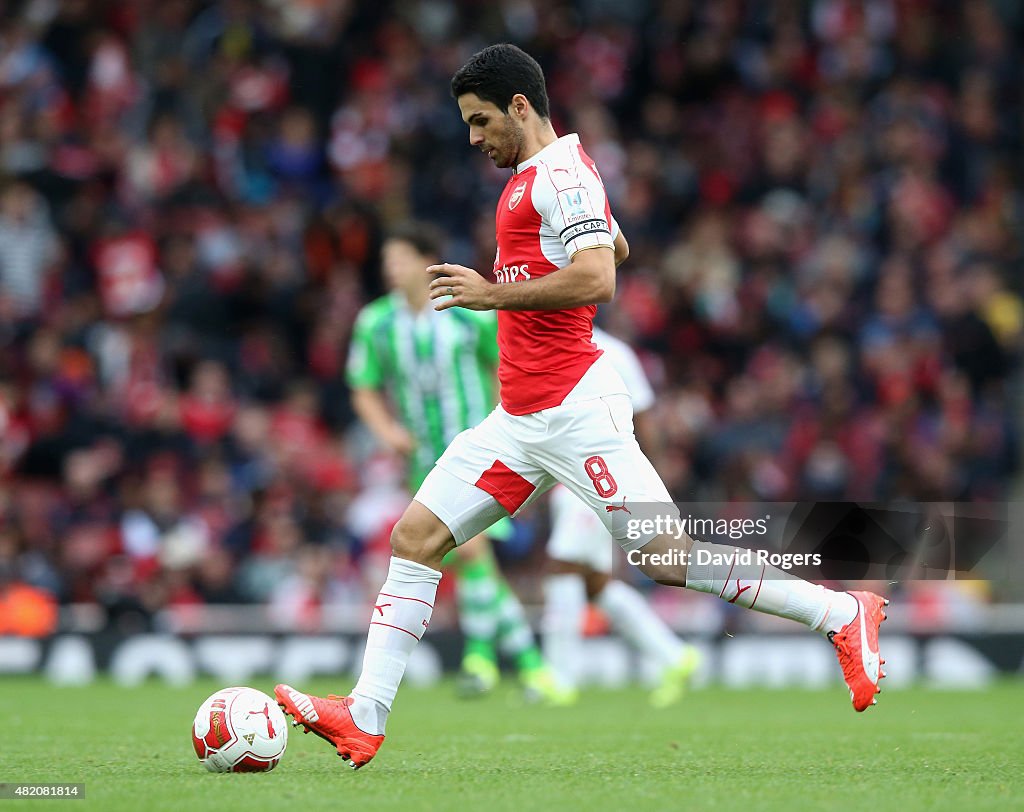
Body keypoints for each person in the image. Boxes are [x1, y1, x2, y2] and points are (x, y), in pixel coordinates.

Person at [275, 44, 887, 769]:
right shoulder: (554, 174)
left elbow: (599, 277)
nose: (473, 139)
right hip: (517, 419)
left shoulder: (557, 174)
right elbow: (615, 244)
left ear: (521, 108)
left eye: (480, 122)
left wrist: (492, 292)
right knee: (415, 538)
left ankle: (843, 613)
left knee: (665, 556)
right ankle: (365, 715)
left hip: (574, 409)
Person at [346, 222, 558, 700]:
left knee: (469, 552)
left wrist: (509, 424)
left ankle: (482, 659)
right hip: (422, 457)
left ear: (426, 263)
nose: (390, 269)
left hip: (478, 450)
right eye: (387, 262)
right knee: (465, 557)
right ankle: (529, 663)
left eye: (398, 259)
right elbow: (362, 386)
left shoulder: (467, 315)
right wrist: (385, 430)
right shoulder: (376, 322)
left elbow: (504, 364)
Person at [542, 326, 701, 707]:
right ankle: (674, 657)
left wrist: (652, 484)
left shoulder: (613, 353)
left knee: (563, 567)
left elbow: (644, 420)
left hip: (602, 477)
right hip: (568, 479)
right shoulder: (544, 343)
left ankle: (560, 678)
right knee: (593, 582)